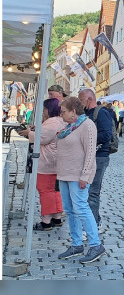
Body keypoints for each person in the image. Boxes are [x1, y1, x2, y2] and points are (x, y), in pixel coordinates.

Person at [56, 97, 106, 263]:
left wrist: (85, 175)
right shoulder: (69, 127)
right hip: (64, 174)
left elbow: (90, 152)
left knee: (81, 208)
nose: (61, 114)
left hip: (78, 175)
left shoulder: (87, 125)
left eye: (63, 111)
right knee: (70, 210)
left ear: (73, 111)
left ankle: (95, 245)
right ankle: (77, 244)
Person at [18, 98, 66, 230]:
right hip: (58, 162)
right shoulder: (61, 121)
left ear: (49, 109)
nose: (43, 112)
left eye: (44, 109)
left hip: (47, 163)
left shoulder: (51, 123)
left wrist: (29, 132)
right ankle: (57, 218)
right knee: (56, 191)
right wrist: (36, 129)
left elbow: (41, 138)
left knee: (45, 191)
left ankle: (46, 221)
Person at [78, 89, 113, 233]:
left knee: (92, 192)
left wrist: (87, 138)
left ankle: (93, 226)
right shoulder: (85, 115)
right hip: (89, 156)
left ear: (89, 99)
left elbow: (106, 135)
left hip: (99, 156)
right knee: (88, 192)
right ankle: (95, 220)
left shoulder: (102, 113)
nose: (80, 104)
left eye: (81, 101)